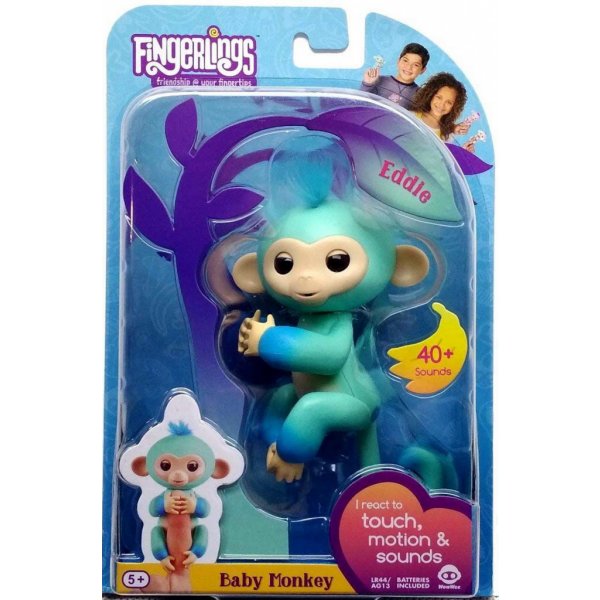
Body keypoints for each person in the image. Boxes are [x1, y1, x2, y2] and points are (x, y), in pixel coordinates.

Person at [360, 43, 429, 110]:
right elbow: (360, 104)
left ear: (422, 70)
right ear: (398, 61)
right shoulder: (378, 81)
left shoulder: (420, 95)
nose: (409, 67)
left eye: (416, 65)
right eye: (405, 61)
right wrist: (367, 84)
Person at [410, 72, 472, 145]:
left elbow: (446, 152)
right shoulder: (411, 116)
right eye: (439, 97)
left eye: (449, 102)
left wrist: (464, 148)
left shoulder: (446, 136)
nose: (442, 105)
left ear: (454, 107)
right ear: (431, 95)